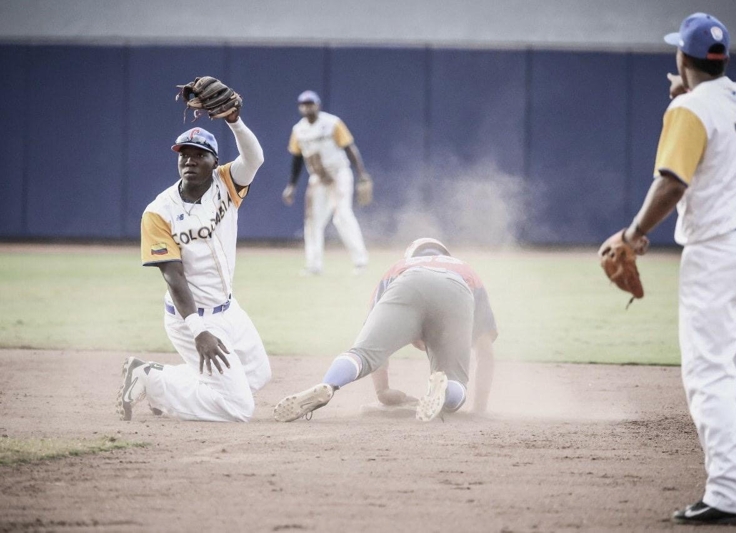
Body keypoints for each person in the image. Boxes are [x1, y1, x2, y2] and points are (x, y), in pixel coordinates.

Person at [603, 13, 736, 526]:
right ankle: (733, 487)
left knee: (709, 376)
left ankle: (726, 493)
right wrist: (685, 100)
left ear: (683, 58)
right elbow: (710, 126)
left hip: (717, 255)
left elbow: (673, 182)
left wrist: (633, 233)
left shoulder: (690, 111)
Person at [117, 95, 272, 422]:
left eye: (199, 154)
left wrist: (234, 120)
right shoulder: (159, 212)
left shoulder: (227, 184)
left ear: (214, 162)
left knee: (257, 376)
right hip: (192, 316)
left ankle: (151, 377)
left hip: (230, 308)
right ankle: (156, 380)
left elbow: (255, 158)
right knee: (239, 409)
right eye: (184, 154)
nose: (189, 159)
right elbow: (174, 277)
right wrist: (198, 330)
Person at [273, 237, 497, 423]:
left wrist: (383, 391)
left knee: (361, 354)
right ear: (446, 254)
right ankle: (445, 389)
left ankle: (329, 383)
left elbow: (376, 342)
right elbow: (485, 352)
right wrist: (479, 409)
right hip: (457, 289)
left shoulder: (398, 267)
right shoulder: (467, 270)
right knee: (455, 380)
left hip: (408, 282)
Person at [281, 90, 371, 275]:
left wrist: (361, 173)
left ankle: (360, 261)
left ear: (318, 105)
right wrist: (292, 185)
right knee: (312, 221)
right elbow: (297, 159)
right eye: (304, 104)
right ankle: (314, 265)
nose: (307, 107)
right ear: (300, 107)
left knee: (342, 216)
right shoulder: (298, 130)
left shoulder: (332, 123)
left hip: (339, 174)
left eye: (310, 103)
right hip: (318, 178)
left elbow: (349, 148)